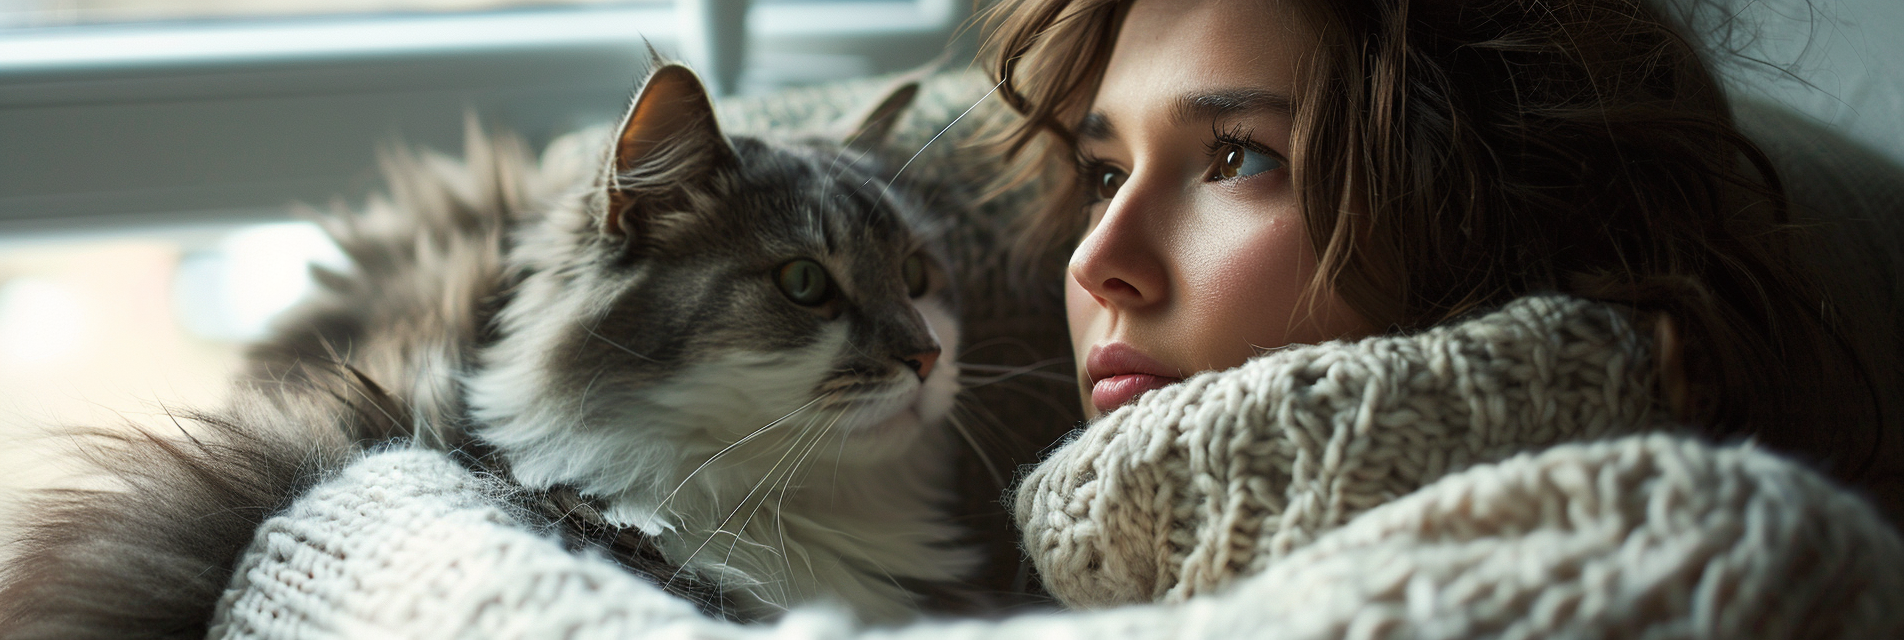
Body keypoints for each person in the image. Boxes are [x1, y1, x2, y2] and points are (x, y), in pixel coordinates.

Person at [980, 0, 1903, 516]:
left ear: (1474, 215)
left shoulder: (1710, 563)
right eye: (1103, 175)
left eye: (1237, 159)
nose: (1099, 260)